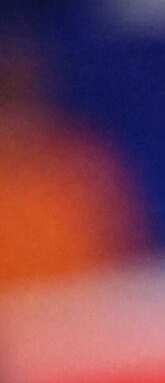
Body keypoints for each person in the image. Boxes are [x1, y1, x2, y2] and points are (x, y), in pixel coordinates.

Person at [0, 42, 143, 292]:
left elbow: (129, 265)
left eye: (21, 98)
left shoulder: (86, 163)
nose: (14, 124)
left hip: (92, 315)